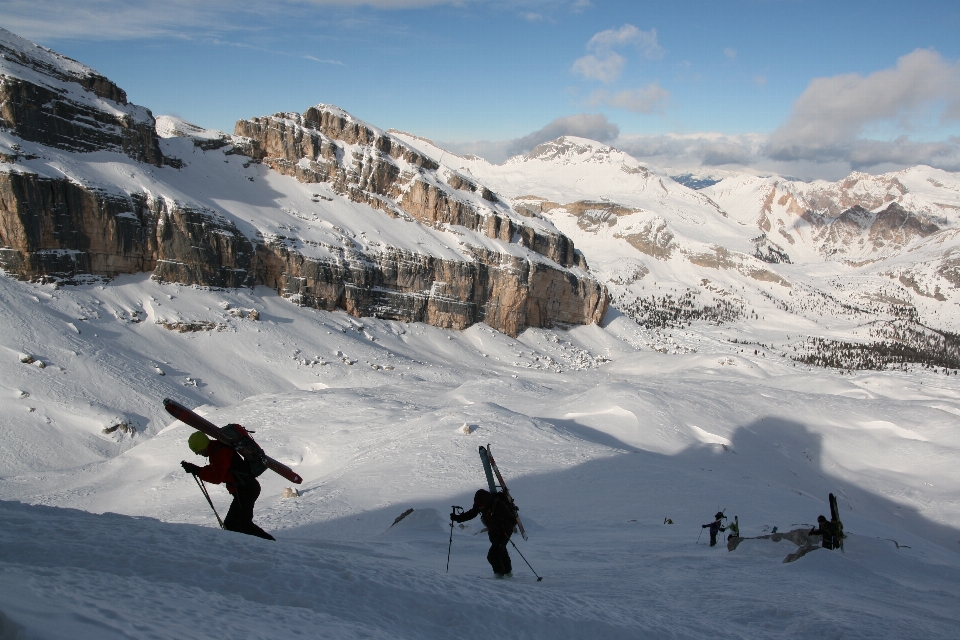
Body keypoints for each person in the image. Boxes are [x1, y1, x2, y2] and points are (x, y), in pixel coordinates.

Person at [181, 431, 275, 541]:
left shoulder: (220, 452)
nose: (198, 454)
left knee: (233, 524)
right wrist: (196, 469)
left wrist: (197, 470)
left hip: (245, 489)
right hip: (246, 488)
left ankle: (268, 545)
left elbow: (217, 477)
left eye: (197, 450)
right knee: (242, 523)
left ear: (202, 446)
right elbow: (218, 471)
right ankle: (265, 545)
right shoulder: (217, 450)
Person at [452, 489, 518, 577]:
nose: (479, 508)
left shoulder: (498, 505)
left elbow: (513, 521)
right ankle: (508, 573)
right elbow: (472, 513)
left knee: (493, 555)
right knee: (501, 552)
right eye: (478, 506)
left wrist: (502, 527)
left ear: (485, 502)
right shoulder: (481, 504)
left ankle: (499, 576)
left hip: (504, 532)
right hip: (493, 532)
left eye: (481, 506)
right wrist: (457, 518)